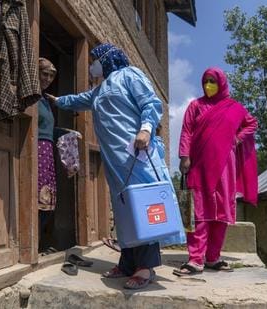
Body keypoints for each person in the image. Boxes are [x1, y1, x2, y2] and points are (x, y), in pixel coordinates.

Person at [45, 43, 184, 289]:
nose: (91, 65)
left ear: (107, 59)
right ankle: (128, 262)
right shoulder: (99, 90)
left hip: (136, 155)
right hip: (115, 162)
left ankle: (145, 267)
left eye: (94, 59)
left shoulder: (130, 75)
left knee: (142, 207)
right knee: (124, 211)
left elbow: (151, 104)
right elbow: (78, 100)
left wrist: (146, 129)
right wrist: (56, 100)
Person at [173, 67, 258, 276]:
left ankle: (213, 257)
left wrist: (237, 138)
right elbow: (187, 131)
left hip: (225, 168)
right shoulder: (196, 106)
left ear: (222, 83)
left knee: (220, 213)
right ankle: (195, 259)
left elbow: (252, 124)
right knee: (198, 213)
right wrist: (184, 156)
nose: (208, 85)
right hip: (199, 165)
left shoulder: (235, 108)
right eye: (205, 81)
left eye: (212, 81)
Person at [37, 57, 58, 251]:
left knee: (47, 199)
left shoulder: (45, 99)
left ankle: (38, 243)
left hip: (47, 150)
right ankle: (32, 245)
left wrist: (66, 133)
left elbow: (49, 129)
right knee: (37, 196)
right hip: (37, 150)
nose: (48, 78)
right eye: (45, 74)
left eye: (52, 75)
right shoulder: (33, 96)